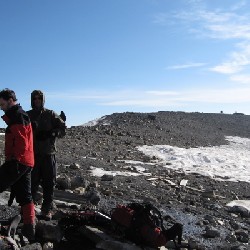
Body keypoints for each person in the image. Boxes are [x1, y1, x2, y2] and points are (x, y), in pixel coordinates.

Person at [0, 88, 36, 241]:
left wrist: (14, 160)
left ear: (10, 101)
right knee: (25, 196)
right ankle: (30, 230)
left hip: (19, 162)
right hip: (26, 162)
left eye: (2, 104)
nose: (1, 107)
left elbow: (22, 142)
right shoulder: (18, 115)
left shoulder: (18, 116)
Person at [27, 90, 66, 220]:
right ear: (32, 100)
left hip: (48, 154)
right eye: (35, 98)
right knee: (31, 184)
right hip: (33, 155)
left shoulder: (50, 114)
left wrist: (51, 133)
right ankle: (29, 212)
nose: (37, 100)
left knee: (49, 183)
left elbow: (62, 130)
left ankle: (46, 210)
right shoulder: (27, 115)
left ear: (43, 100)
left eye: (39, 98)